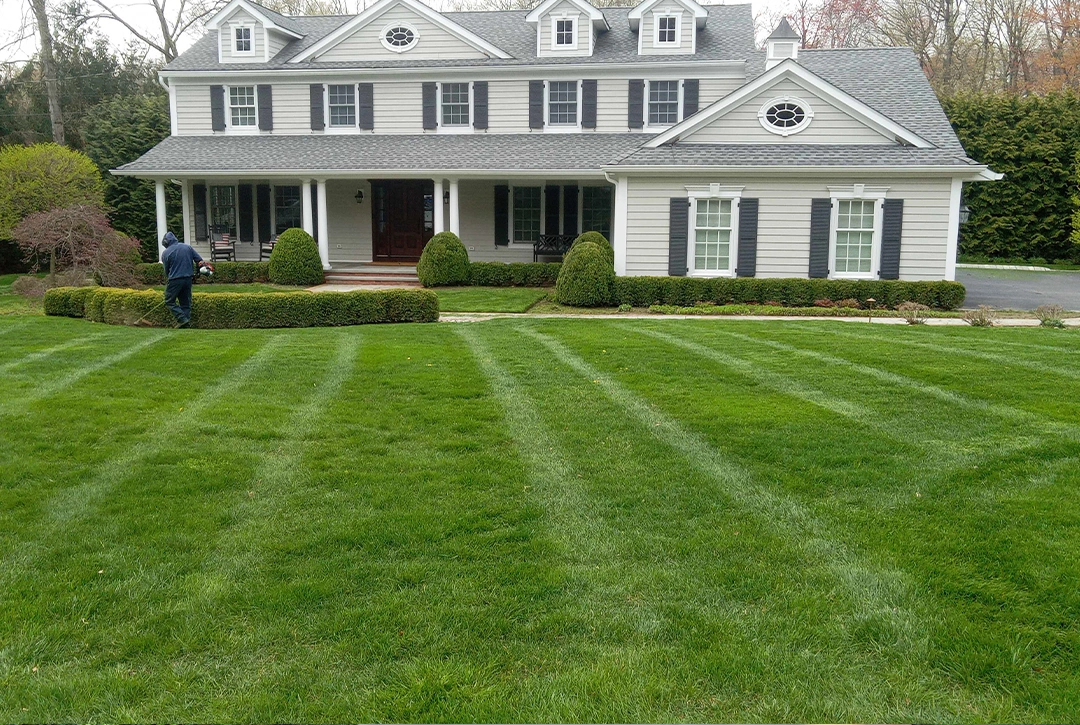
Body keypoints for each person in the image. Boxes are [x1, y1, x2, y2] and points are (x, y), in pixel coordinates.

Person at [160, 231, 205, 327]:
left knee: (169, 301)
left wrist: (169, 279)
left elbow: (166, 270)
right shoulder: (187, 247)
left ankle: (182, 318)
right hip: (188, 279)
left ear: (166, 242)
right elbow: (200, 261)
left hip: (175, 279)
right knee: (185, 302)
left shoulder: (166, 253)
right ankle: (186, 324)